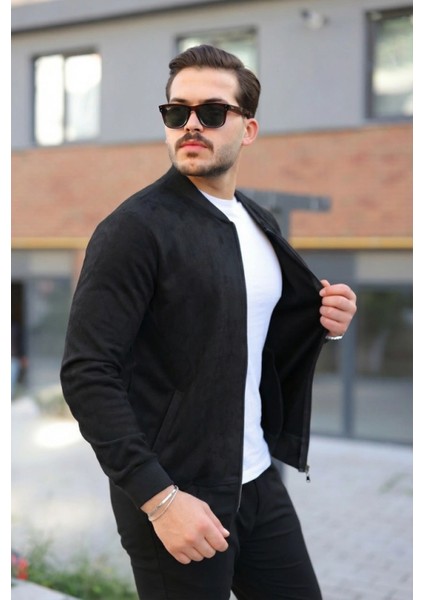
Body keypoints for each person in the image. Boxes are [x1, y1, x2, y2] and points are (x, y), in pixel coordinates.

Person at [60, 44, 357, 600]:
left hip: (257, 478)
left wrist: (328, 321)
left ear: (248, 129)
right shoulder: (134, 229)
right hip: (177, 495)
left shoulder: (257, 220)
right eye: (177, 112)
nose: (191, 125)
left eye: (213, 112)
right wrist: (159, 500)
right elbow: (87, 373)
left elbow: (253, 336)